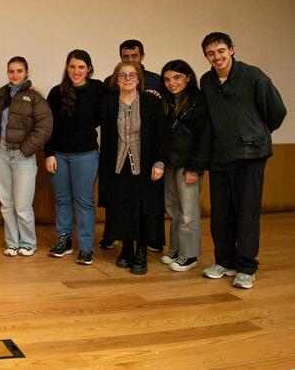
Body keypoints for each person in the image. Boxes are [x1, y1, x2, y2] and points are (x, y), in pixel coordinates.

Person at [199, 32, 286, 289]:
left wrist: (256, 133)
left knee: (247, 213)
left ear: (232, 50)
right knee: (221, 213)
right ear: (206, 56)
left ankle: (246, 267)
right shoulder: (207, 81)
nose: (217, 57)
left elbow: (277, 111)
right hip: (220, 157)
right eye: (211, 53)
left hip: (251, 156)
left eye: (221, 51)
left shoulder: (253, 76)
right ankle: (224, 261)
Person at [98, 62, 166, 275]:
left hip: (144, 165)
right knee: (122, 209)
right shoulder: (109, 103)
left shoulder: (150, 102)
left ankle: (142, 251)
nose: (127, 79)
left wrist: (159, 162)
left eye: (132, 75)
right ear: (116, 79)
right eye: (123, 75)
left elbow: (161, 135)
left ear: (139, 79)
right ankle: (126, 249)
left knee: (143, 209)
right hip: (118, 165)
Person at [44, 50, 104, 265]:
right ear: (67, 68)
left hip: (86, 156)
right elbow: (47, 127)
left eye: (80, 67)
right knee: (62, 200)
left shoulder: (99, 89)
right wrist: (49, 154)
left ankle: (86, 247)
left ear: (88, 68)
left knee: (84, 202)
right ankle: (64, 239)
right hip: (59, 156)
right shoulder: (56, 92)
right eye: (72, 66)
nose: (76, 71)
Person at [0, 57, 53, 258]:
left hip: (22, 156)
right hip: (1, 154)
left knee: (22, 205)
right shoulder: (0, 95)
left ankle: (28, 243)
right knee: (6, 203)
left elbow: (45, 128)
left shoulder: (35, 97)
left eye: (19, 71)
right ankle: (12, 242)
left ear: (26, 72)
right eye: (11, 71)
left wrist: (25, 149)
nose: (15, 74)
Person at [159, 59, 211, 272]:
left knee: (189, 211)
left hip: (189, 165)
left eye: (177, 78)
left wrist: (195, 168)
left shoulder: (199, 102)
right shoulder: (166, 101)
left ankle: (189, 255)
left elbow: (205, 138)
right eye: (168, 79)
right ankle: (176, 248)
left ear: (188, 77)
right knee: (173, 208)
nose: (172, 83)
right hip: (171, 162)